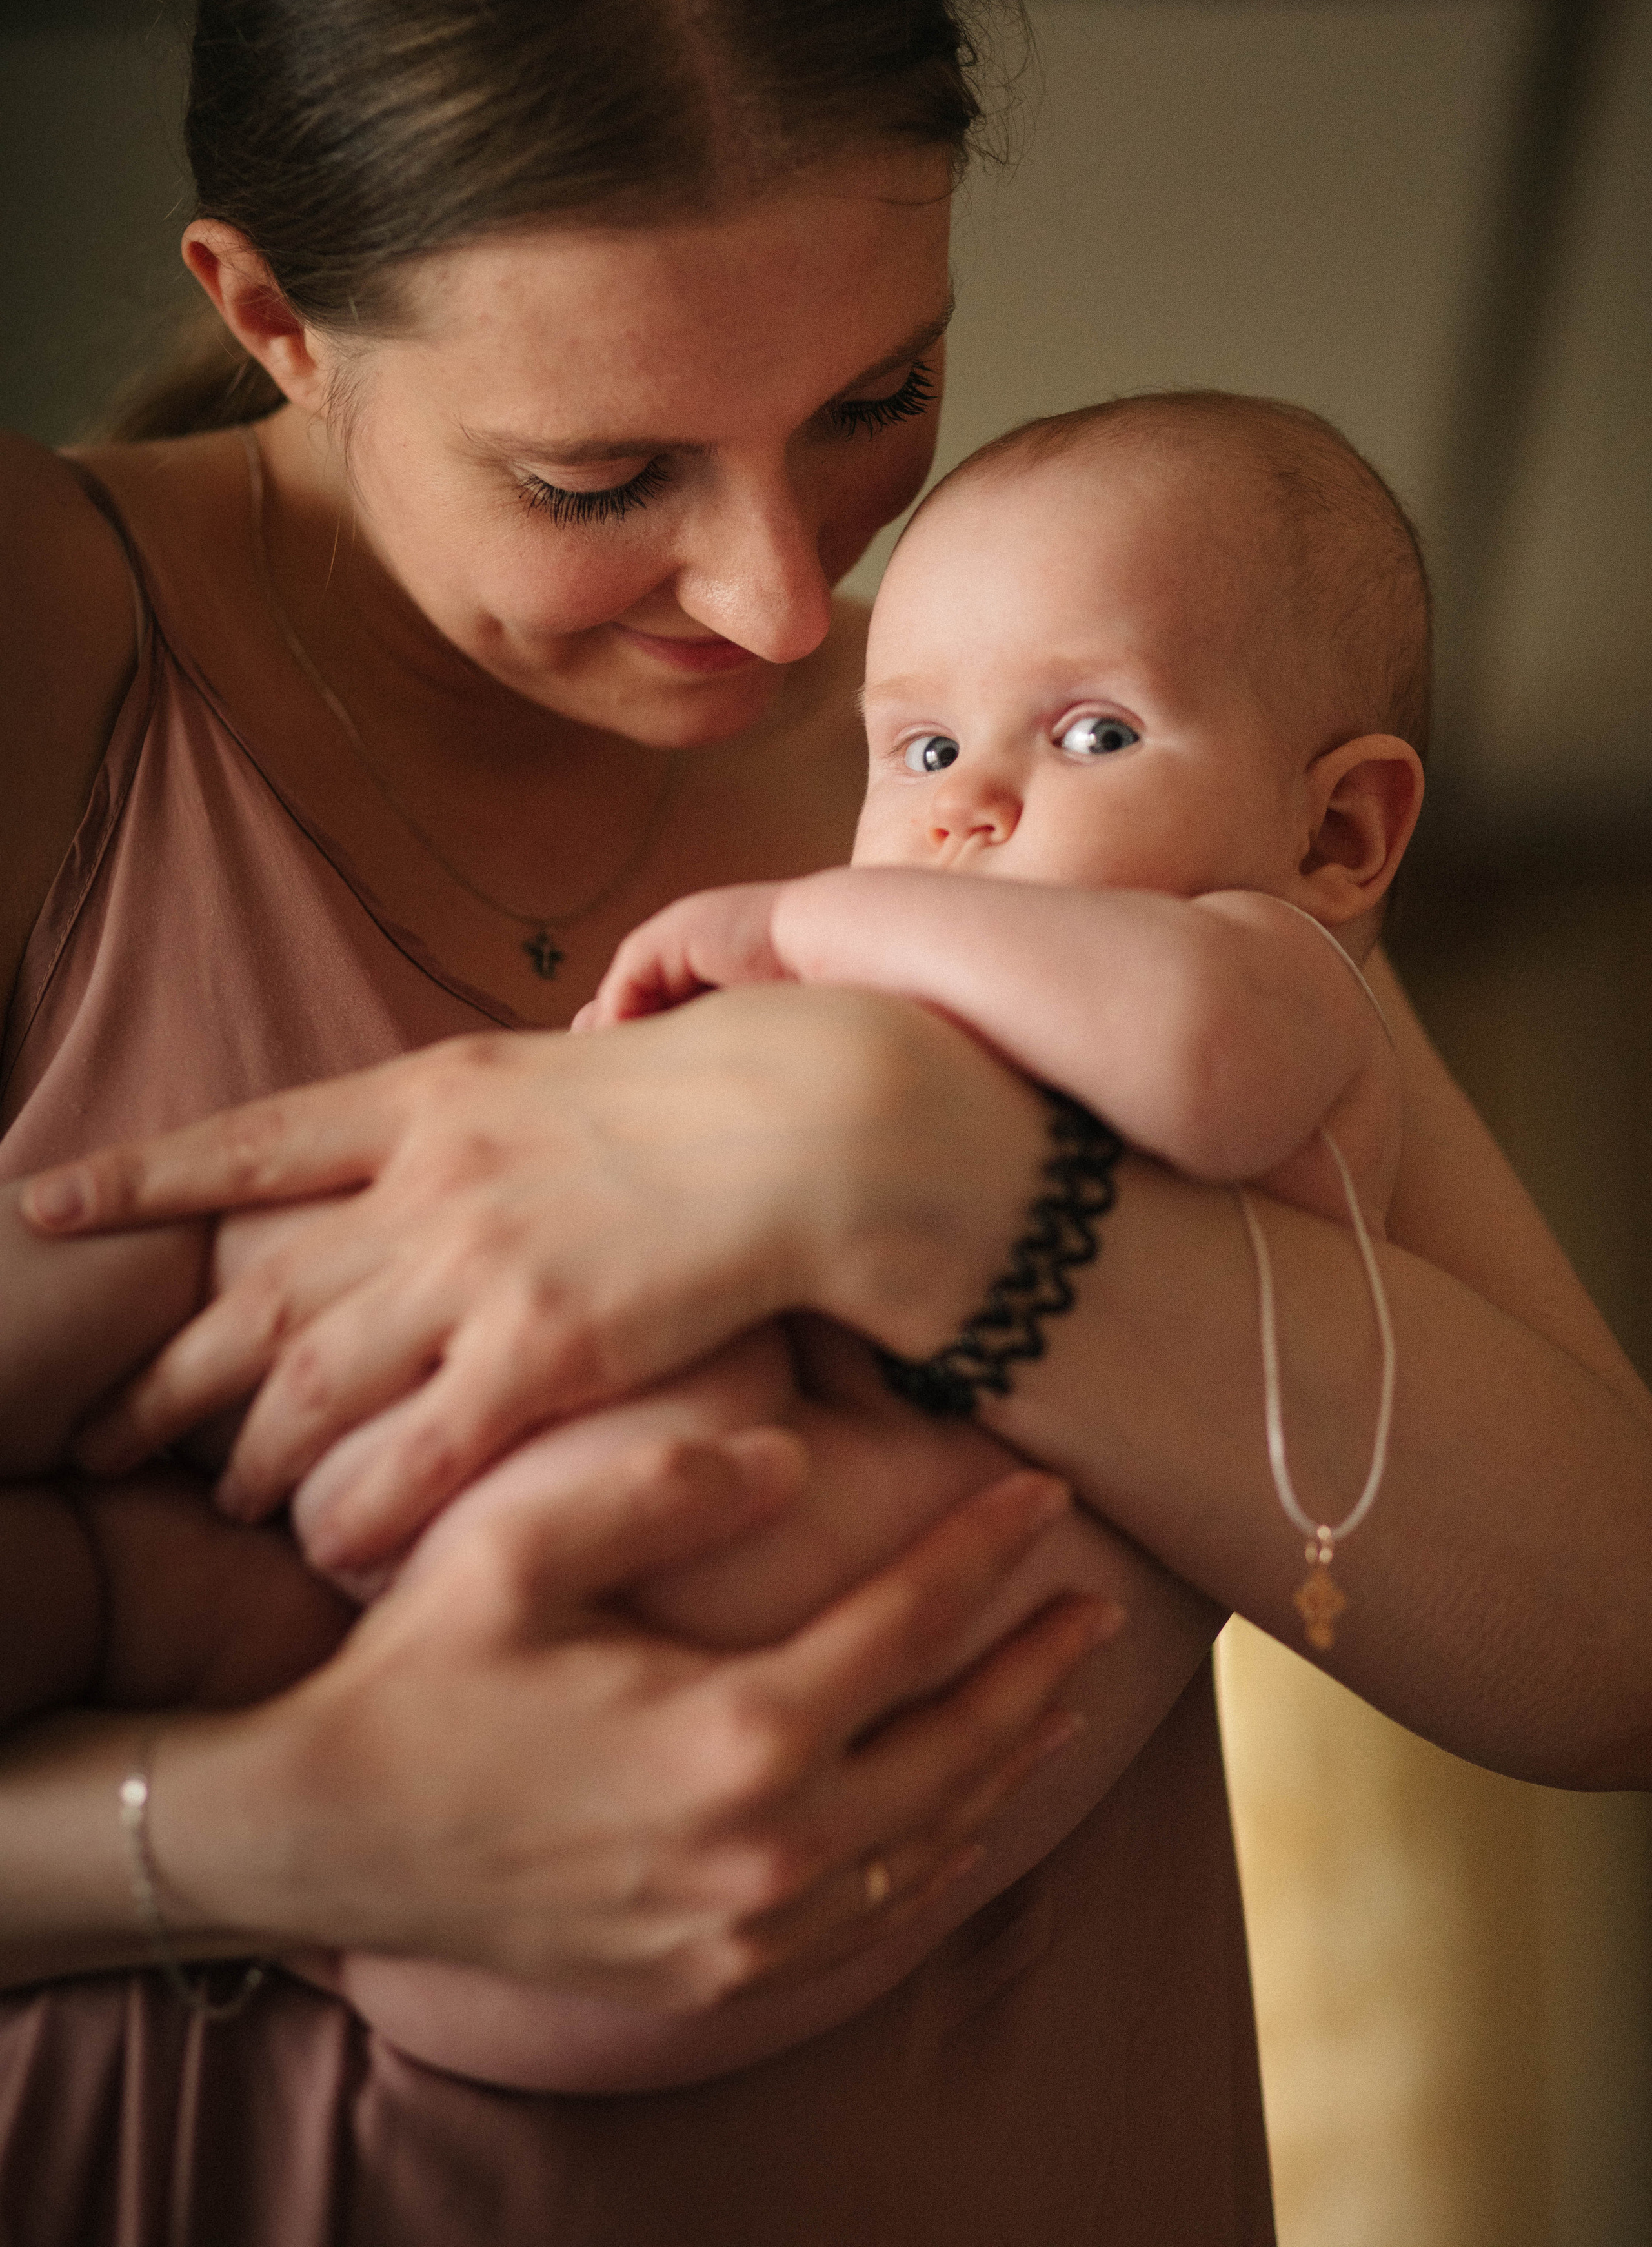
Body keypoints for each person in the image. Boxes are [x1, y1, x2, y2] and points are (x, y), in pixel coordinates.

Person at [2, 0, 1647, 2241]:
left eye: (880, 397)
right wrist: (240, 1839)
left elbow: (1605, 1638)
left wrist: (926, 1190)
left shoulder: (1048, 756)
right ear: (269, 319)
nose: (786, 609)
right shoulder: (46, 652)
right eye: (602, 477)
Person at [0, 387, 1423, 2099]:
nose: (970, 806)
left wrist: (796, 925)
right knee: (135, 1560)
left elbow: (1189, 1068)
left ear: (1338, 832)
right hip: (489, 1523)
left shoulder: (1275, 971)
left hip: (756, 1666)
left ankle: (282, 1829)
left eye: (1095, 736)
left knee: (294, 1711)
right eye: (917, 749)